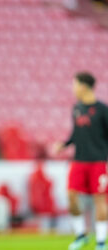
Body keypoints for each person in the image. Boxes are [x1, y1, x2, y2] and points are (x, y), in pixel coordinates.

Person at [55, 72, 108, 250]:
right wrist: (64, 144)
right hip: (79, 161)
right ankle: (81, 235)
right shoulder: (76, 108)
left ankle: (101, 242)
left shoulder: (102, 110)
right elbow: (75, 134)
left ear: (84, 86)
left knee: (100, 200)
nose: (73, 89)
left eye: (75, 85)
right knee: (71, 197)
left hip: (98, 162)